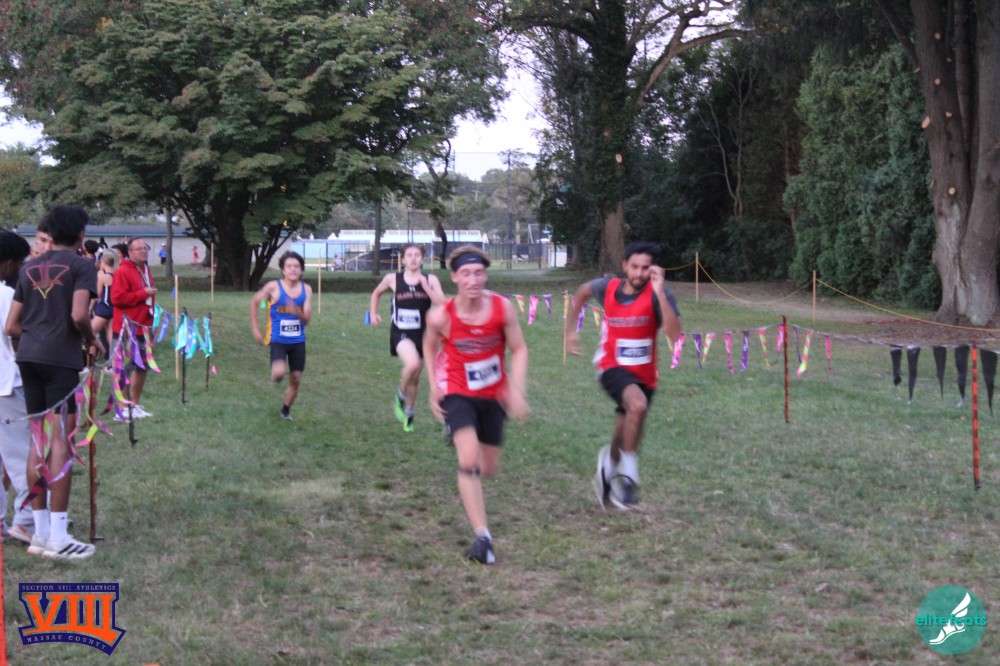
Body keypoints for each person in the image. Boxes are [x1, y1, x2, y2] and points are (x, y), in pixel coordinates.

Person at [5, 205, 104, 559]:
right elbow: (79, 314)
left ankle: (40, 533)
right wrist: (90, 339)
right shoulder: (81, 265)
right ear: (80, 235)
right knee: (62, 440)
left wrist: (33, 343)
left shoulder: (28, 267)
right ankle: (59, 537)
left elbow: (11, 326)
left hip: (28, 359)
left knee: (38, 440)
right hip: (60, 360)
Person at [423, 246, 529, 564]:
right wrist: (434, 386)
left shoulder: (501, 308)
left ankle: (459, 436)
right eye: (466, 274)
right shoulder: (441, 315)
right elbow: (429, 346)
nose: (473, 280)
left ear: (486, 276)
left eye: (479, 273)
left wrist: (516, 390)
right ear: (455, 277)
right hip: (457, 390)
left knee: (488, 467)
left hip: (493, 395)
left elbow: (519, 349)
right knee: (468, 460)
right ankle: (483, 537)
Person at [565, 242, 681, 511]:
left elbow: (674, 335)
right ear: (624, 266)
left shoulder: (659, 294)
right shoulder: (608, 287)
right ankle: (628, 480)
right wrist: (570, 331)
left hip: (644, 373)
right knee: (637, 405)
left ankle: (607, 467)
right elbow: (582, 292)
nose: (639, 273)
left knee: (628, 423)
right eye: (634, 267)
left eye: (645, 268)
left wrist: (660, 293)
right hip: (611, 365)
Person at [369, 244, 446, 432]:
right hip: (401, 331)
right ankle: (400, 397)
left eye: (417, 255)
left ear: (422, 259)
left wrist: (426, 287)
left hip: (424, 335)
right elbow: (376, 293)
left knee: (415, 378)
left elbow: (442, 303)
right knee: (412, 365)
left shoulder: (431, 279)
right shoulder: (392, 279)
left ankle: (409, 413)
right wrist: (373, 314)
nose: (413, 258)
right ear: (402, 259)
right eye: (409, 255)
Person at [0, 230, 36, 545]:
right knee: (22, 454)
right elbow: (17, 334)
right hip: (7, 386)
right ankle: (27, 520)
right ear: (7, 263)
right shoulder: (6, 297)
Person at [250, 251, 313, 420]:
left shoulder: (306, 289)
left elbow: (307, 320)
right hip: (278, 339)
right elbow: (255, 302)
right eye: (289, 266)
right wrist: (256, 329)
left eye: (296, 266)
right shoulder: (273, 287)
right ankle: (276, 376)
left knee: (296, 379)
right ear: (283, 270)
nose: (293, 269)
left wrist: (297, 312)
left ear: (301, 270)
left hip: (298, 341)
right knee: (279, 374)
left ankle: (285, 410)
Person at [111, 237, 158, 418]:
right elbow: (117, 299)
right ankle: (122, 406)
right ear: (130, 252)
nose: (144, 251)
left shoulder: (145, 269)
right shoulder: (122, 271)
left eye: (146, 248)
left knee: (143, 366)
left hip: (144, 325)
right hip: (125, 328)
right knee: (122, 367)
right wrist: (142, 294)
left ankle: (134, 404)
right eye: (139, 249)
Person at [91, 248, 118, 354]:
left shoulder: (104, 277)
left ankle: (94, 355)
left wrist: (89, 308)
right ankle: (114, 361)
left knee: (89, 333)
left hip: (104, 307)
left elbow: (97, 295)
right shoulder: (117, 275)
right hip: (114, 308)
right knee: (110, 336)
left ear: (103, 263)